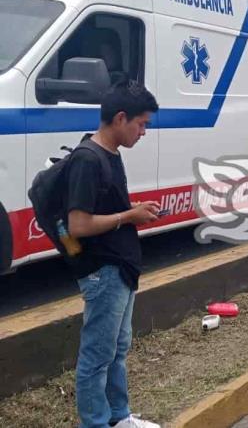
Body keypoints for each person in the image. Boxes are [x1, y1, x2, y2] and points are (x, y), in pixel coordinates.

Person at [64, 81, 161, 428]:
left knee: (117, 349)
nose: (144, 131)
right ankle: (95, 423)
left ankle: (119, 418)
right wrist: (128, 216)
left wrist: (132, 212)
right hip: (102, 271)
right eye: (142, 123)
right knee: (97, 356)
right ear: (121, 118)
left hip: (119, 268)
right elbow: (77, 224)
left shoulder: (111, 153)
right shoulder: (88, 160)